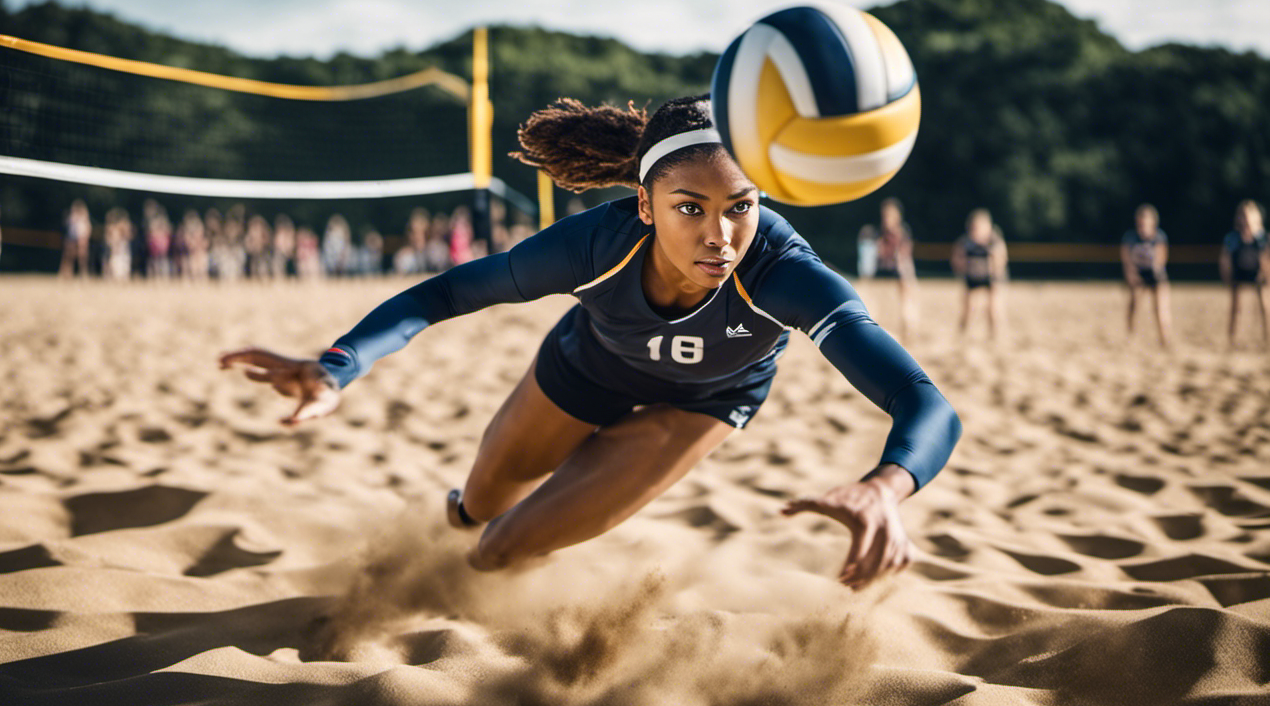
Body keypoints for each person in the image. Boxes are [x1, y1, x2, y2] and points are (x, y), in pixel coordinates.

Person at [220, 96, 961, 590]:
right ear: (643, 205)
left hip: (705, 402)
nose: (719, 235)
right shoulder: (594, 244)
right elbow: (444, 293)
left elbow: (920, 400)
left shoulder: (782, 274)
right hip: (589, 364)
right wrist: (336, 367)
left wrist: (884, 486)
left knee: (499, 552)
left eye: (741, 207)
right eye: (689, 208)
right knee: (476, 509)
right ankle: (454, 520)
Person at [950, 208, 1009, 339]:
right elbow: (956, 259)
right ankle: (962, 334)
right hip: (972, 276)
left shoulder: (995, 241)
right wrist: (962, 266)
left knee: (993, 308)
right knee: (968, 308)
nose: (976, 231)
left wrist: (993, 268)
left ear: (988, 227)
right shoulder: (965, 243)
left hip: (991, 277)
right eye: (974, 228)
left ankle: (995, 335)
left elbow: (1002, 260)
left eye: (980, 227)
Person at [1120, 203, 1173, 347]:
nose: (1142, 227)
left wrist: (1155, 273)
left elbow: (1161, 260)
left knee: (1160, 308)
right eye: (1140, 223)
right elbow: (1126, 260)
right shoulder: (1130, 237)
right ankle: (1131, 338)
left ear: (1153, 223)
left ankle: (1164, 339)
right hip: (1138, 273)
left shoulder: (1159, 237)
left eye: (1145, 223)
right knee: (1134, 306)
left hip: (1155, 274)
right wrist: (1131, 275)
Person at [869, 197, 918, 341]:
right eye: (885, 215)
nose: (886, 219)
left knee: (906, 302)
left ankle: (908, 331)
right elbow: (876, 255)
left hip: (902, 271)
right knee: (883, 303)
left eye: (890, 215)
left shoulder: (902, 232)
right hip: (885, 273)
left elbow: (905, 256)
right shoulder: (879, 233)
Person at [1221, 199, 1268, 345]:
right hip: (1239, 273)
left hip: (1257, 273)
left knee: (1265, 307)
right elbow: (1225, 259)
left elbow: (1266, 258)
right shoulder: (1233, 238)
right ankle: (1232, 338)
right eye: (1243, 215)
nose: (1246, 218)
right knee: (1236, 308)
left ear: (1257, 217)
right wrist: (1227, 277)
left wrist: (1266, 275)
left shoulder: (1262, 238)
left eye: (1249, 215)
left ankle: (1267, 337)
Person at [60, 200, 92, 279]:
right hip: (72, 239)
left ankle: (83, 274)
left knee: (82, 257)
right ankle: (66, 274)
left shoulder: (84, 218)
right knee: (68, 257)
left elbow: (87, 229)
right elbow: (67, 226)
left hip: (81, 238)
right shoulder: (72, 217)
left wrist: (85, 239)